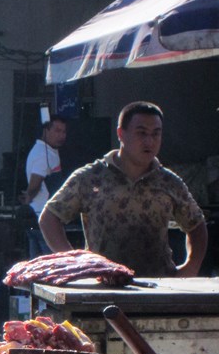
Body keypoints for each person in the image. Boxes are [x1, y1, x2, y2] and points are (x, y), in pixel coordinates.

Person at [39, 101, 208, 277]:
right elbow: (49, 218)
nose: (149, 141)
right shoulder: (91, 177)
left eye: (155, 134)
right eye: (141, 133)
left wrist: (191, 266)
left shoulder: (169, 182)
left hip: (158, 289)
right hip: (103, 288)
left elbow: (197, 225)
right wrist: (75, 263)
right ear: (121, 133)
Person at [20, 115, 67, 256]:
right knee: (51, 264)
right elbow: (35, 182)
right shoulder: (43, 154)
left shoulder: (47, 151)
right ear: (46, 131)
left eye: (64, 132)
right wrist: (29, 196)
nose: (62, 135)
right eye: (57, 131)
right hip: (44, 218)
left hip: (38, 217)